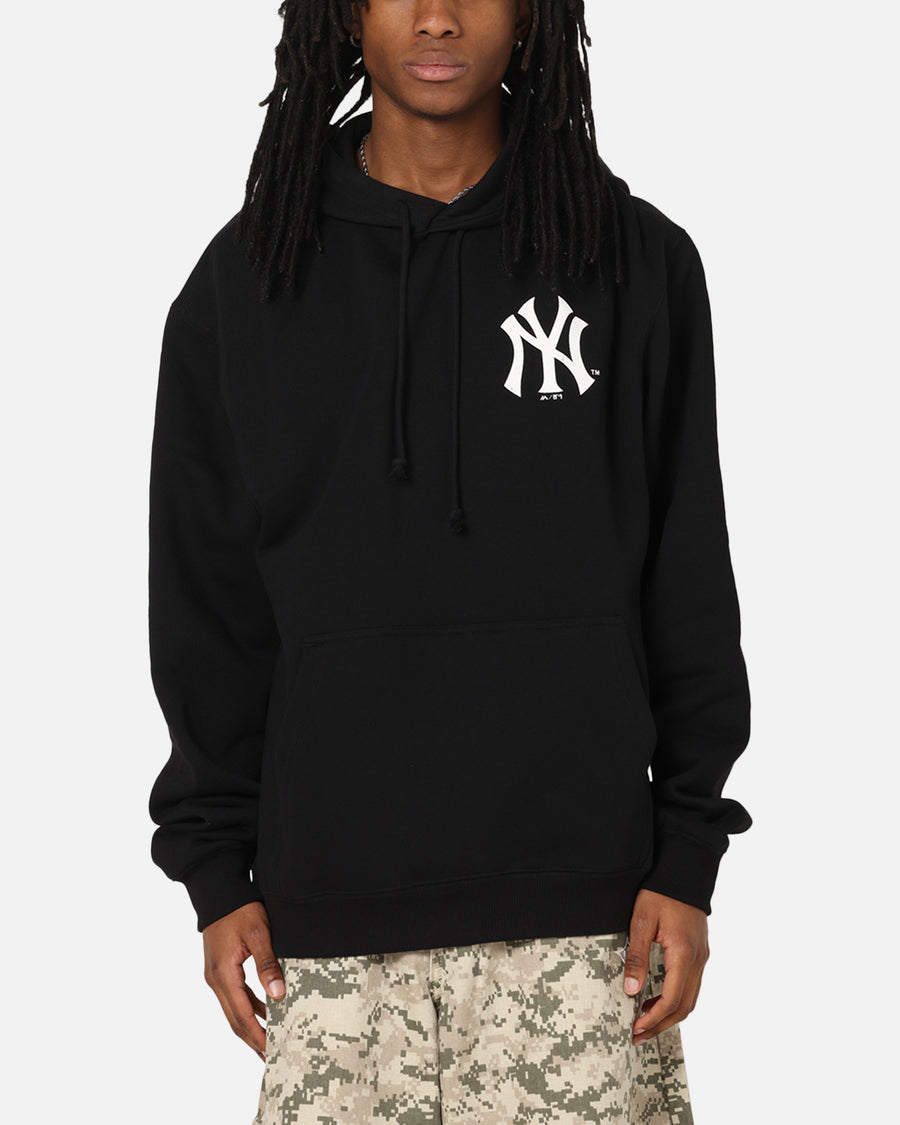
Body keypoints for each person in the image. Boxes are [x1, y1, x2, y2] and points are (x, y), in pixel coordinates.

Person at [147, 0, 753, 1121]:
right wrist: (214, 871)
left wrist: (687, 856)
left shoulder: (635, 263)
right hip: (328, 926)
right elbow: (209, 604)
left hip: (590, 922)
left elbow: (688, 580)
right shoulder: (247, 282)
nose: (437, 15)